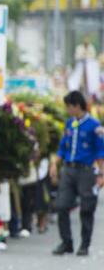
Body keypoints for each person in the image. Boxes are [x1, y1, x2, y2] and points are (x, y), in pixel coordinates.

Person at [50, 91, 104, 256]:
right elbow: (62, 147)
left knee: (87, 208)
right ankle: (66, 242)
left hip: (86, 171)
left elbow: (100, 152)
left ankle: (84, 245)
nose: (67, 110)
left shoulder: (95, 126)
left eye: (68, 107)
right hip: (68, 169)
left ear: (76, 106)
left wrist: (101, 174)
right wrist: (54, 164)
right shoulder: (69, 124)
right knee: (61, 205)